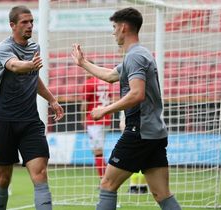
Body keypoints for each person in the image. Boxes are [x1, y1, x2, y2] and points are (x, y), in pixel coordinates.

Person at [71, 7, 182, 210]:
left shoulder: (134, 56)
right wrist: (83, 63)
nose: (113, 32)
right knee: (162, 194)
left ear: (123, 28)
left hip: (138, 131)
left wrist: (105, 110)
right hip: (154, 132)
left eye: (114, 27)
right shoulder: (140, 54)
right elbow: (110, 75)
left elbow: (136, 94)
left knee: (107, 185)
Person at [0, 5, 64, 210]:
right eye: (25, 22)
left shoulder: (34, 48)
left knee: (40, 174)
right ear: (12, 25)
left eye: (31, 22)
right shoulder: (4, 48)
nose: (30, 26)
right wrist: (29, 65)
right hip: (3, 120)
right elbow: (14, 66)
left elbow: (33, 78)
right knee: (3, 178)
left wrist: (52, 99)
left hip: (30, 121)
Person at [81, 71, 112, 179]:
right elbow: (110, 101)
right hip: (106, 120)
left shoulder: (89, 83)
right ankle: (104, 178)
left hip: (94, 120)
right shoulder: (106, 83)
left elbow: (84, 104)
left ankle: (104, 179)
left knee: (97, 151)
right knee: (99, 150)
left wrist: (83, 118)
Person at [119, 111, 148, 194]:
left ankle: (133, 186)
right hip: (148, 131)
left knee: (132, 158)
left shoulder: (128, 100)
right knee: (144, 158)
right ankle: (143, 186)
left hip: (132, 132)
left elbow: (123, 122)